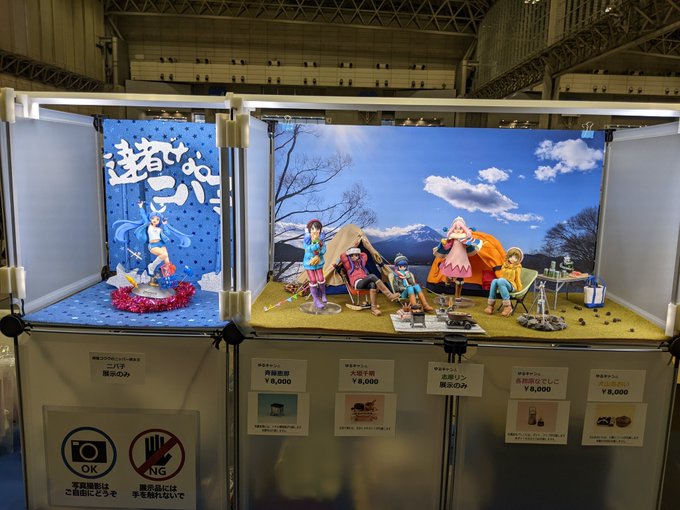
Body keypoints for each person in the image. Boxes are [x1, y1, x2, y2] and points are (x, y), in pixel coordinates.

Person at [113, 201, 192, 277]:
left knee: (166, 258)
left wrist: (165, 225)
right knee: (164, 255)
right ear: (150, 219)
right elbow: (144, 216)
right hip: (152, 245)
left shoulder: (160, 229)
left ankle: (168, 274)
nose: (155, 220)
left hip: (160, 244)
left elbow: (168, 233)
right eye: (153, 218)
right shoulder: (148, 225)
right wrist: (141, 207)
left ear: (159, 221)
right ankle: (152, 266)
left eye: (157, 219)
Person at [433, 216, 482, 306]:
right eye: (456, 228)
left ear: (464, 229)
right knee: (449, 271)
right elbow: (447, 247)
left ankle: (457, 296)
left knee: (460, 278)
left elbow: (470, 245)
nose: (458, 230)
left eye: (460, 228)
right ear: (453, 229)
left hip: (462, 260)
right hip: (452, 258)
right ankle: (448, 279)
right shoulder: (452, 239)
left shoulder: (465, 238)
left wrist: (469, 243)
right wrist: (444, 244)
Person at [339, 247, 399, 316]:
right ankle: (390, 295)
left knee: (372, 284)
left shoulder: (361, 263)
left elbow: (364, 255)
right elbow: (342, 256)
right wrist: (349, 250)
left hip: (364, 282)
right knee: (372, 276)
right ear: (349, 256)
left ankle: (374, 308)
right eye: (351, 255)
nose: (354, 257)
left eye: (356, 255)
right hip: (357, 283)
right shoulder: (348, 265)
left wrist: (357, 252)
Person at [484, 246, 523, 317]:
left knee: (500, 280)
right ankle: (490, 306)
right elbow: (502, 276)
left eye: (516, 258)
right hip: (503, 283)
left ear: (519, 259)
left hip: (512, 285)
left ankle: (508, 307)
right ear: (508, 256)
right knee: (494, 281)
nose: (513, 259)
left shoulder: (517, 267)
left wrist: (519, 289)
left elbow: (517, 278)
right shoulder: (505, 265)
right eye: (511, 256)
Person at [303, 219, 327, 309]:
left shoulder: (321, 240)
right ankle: (315, 299)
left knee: (321, 278)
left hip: (319, 262)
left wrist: (320, 251)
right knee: (313, 280)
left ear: (320, 230)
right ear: (309, 230)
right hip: (309, 263)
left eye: (317, 229)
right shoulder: (307, 240)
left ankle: (323, 294)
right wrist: (317, 245)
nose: (315, 231)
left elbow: (324, 250)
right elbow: (309, 248)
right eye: (313, 229)